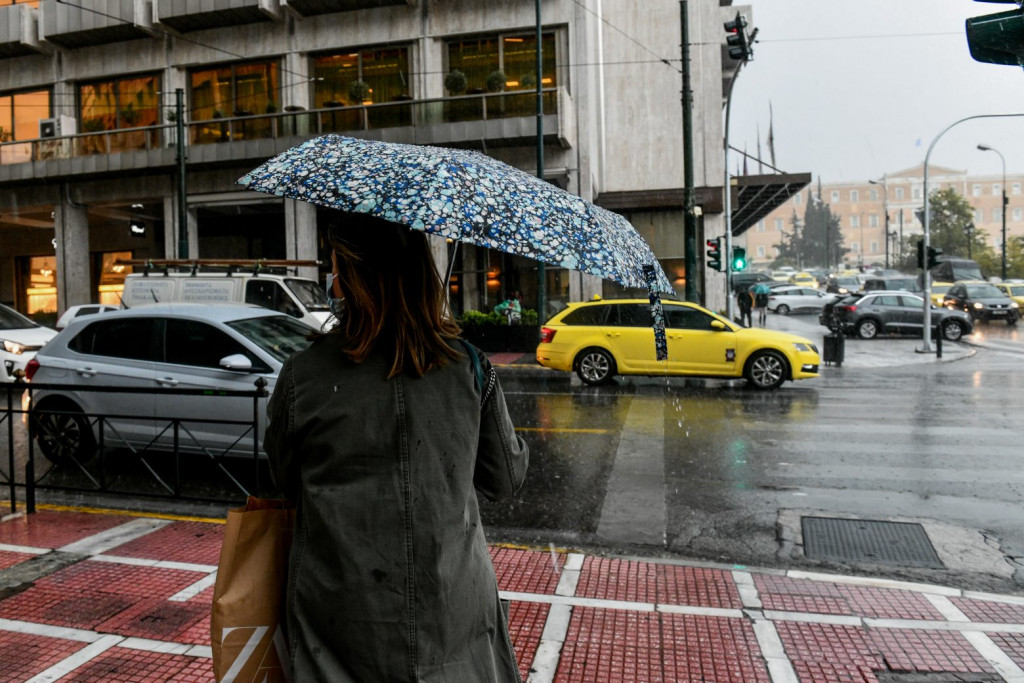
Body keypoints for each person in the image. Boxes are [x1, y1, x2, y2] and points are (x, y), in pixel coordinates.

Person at [265, 215, 529, 682]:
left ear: (350, 276)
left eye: (335, 265)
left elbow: (286, 482)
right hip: (452, 610)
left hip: (340, 620)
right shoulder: (468, 367)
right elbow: (503, 479)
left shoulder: (302, 376)